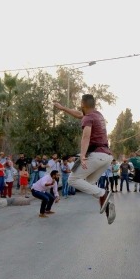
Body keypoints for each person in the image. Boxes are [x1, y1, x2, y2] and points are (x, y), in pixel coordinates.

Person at [53, 95, 115, 224]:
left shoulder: (88, 118)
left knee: (73, 179)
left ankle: (104, 193)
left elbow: (86, 137)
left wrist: (82, 156)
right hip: (107, 157)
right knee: (88, 184)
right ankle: (107, 204)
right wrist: (63, 108)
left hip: (96, 155)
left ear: (82, 104)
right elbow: (78, 114)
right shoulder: (97, 115)